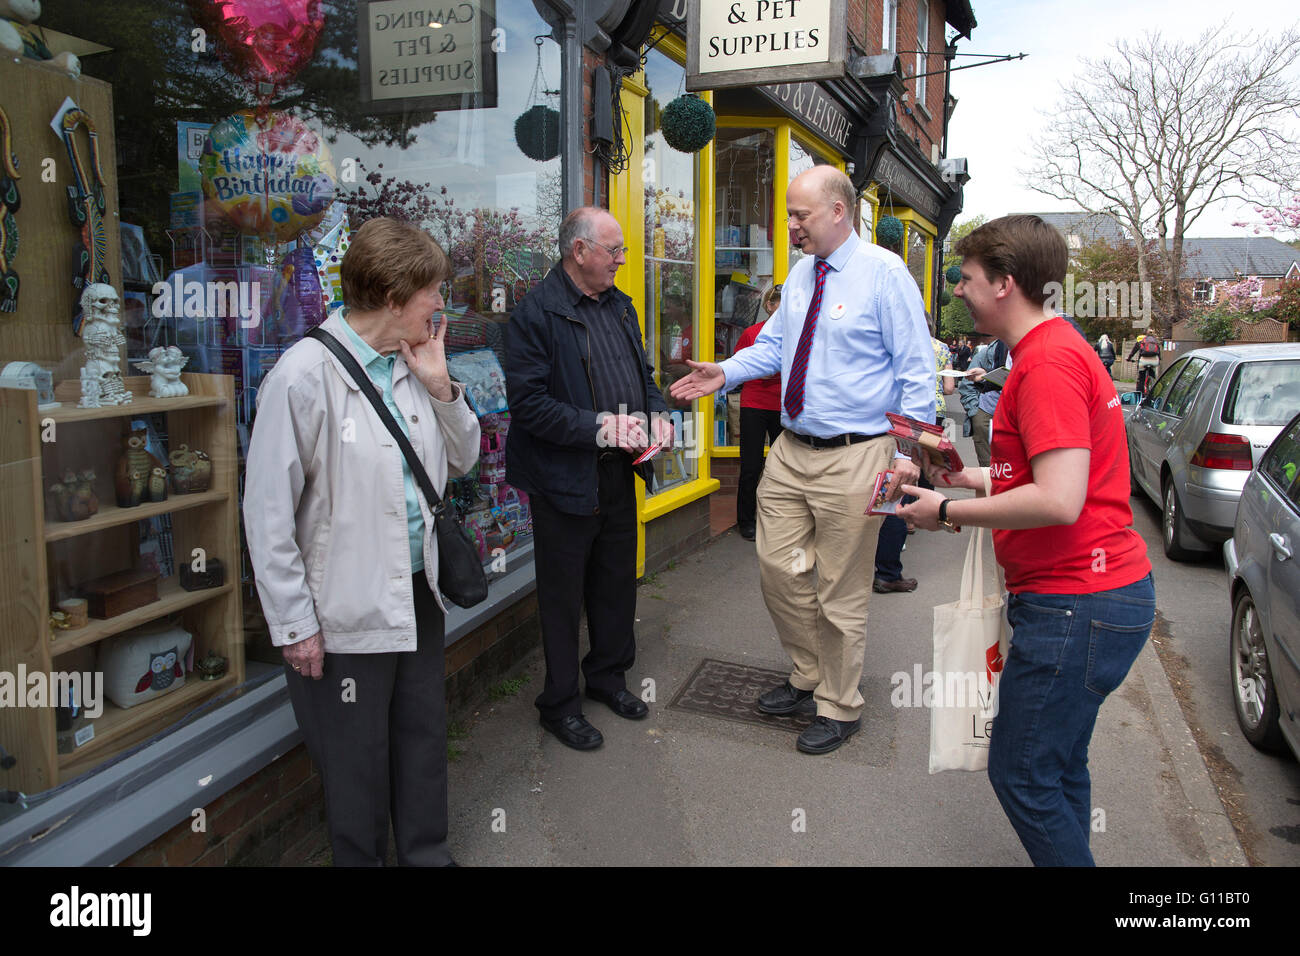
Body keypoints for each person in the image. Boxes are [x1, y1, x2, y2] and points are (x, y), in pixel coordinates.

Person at [897, 214, 1154, 867]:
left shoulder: (1045, 363)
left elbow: (1059, 499)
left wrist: (948, 511)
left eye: (968, 278)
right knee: (1060, 766)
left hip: (1077, 603)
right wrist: (968, 476)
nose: (958, 290)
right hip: (1097, 599)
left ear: (1006, 283)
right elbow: (1046, 473)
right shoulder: (1055, 349)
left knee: (1022, 774)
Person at [670, 166, 933, 755]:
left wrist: (909, 455)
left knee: (842, 589)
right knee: (778, 569)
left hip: (861, 456)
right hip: (791, 451)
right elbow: (777, 344)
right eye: (788, 215)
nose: (789, 227)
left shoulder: (886, 274)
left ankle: (839, 704)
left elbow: (917, 374)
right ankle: (809, 672)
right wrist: (725, 372)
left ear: (838, 212)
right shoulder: (801, 272)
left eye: (800, 216)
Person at [243, 217, 481, 866]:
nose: (442, 304)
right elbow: (267, 516)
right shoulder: (302, 377)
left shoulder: (414, 365)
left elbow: (464, 458)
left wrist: (441, 389)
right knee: (356, 767)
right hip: (344, 612)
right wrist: (295, 626)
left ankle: (427, 855)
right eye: (433, 292)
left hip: (417, 591)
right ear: (395, 297)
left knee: (422, 738)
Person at [505, 206, 673, 751]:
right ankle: (559, 703)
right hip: (562, 479)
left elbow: (642, 374)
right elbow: (529, 407)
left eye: (623, 251)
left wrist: (657, 416)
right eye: (614, 251)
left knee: (614, 582)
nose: (623, 261)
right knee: (562, 596)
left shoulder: (621, 307)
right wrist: (602, 426)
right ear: (579, 252)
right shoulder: (535, 314)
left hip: (619, 472)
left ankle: (606, 678)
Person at [872, 328, 954, 593]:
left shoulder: (884, 342)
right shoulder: (936, 348)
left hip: (875, 426)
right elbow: (943, 387)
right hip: (912, 425)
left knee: (880, 495)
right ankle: (887, 572)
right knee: (895, 496)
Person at [733, 282, 784, 540]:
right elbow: (739, 366)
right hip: (754, 404)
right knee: (751, 465)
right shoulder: (752, 333)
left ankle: (777, 519)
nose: (783, 309)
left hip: (783, 406)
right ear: (769, 306)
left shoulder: (795, 334)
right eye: (779, 304)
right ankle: (746, 520)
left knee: (782, 467)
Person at [966, 334, 1010, 467]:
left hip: (1013, 413)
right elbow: (966, 383)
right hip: (987, 410)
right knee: (987, 467)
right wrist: (974, 410)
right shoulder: (994, 348)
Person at [1128, 330, 1161, 394]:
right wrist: (1159, 359)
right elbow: (1159, 352)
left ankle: (1139, 394)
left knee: (1141, 378)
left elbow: (1133, 352)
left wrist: (1129, 358)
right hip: (1154, 361)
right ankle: (1153, 388)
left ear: (1146, 335)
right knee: (1152, 373)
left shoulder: (1141, 341)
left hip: (1143, 361)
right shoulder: (1156, 342)